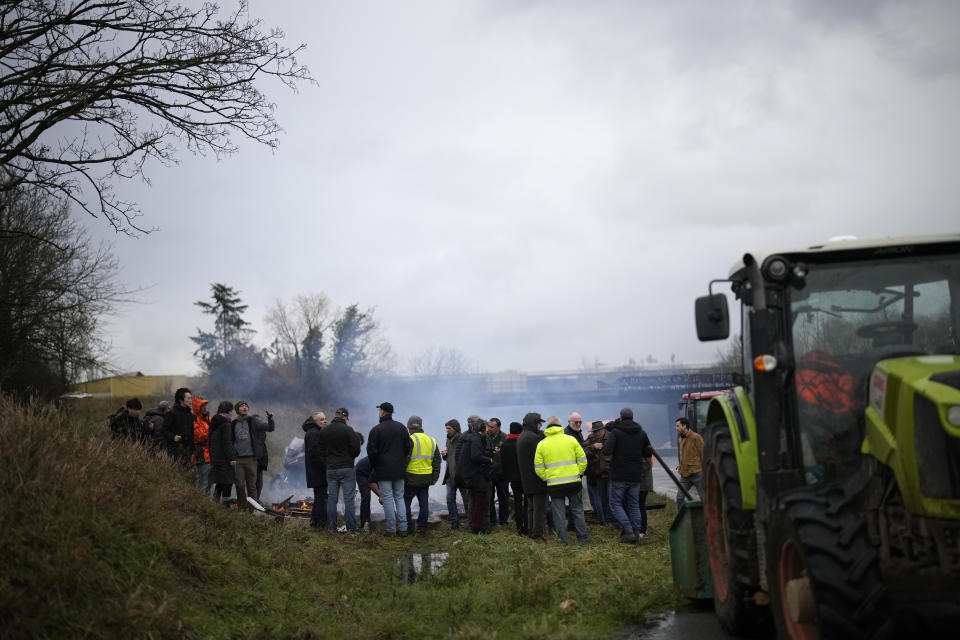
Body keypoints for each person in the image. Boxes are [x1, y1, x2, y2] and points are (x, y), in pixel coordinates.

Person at [535, 416, 589, 545]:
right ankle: (583, 538)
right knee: (577, 510)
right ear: (560, 426)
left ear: (547, 427)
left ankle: (563, 541)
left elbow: (538, 467)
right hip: (574, 482)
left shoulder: (542, 444)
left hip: (554, 485)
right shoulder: (571, 440)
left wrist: (546, 478)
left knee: (558, 513)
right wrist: (579, 473)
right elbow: (583, 460)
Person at [603, 408, 654, 543]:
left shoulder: (616, 432)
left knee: (615, 503)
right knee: (634, 505)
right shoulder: (641, 432)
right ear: (633, 417)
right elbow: (648, 453)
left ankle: (628, 529)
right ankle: (637, 534)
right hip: (635, 475)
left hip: (619, 475)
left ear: (620, 418)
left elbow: (607, 451)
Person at [366, 402, 413, 537]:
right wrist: (402, 460)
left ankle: (391, 530)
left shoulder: (376, 430)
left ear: (382, 412)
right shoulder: (401, 428)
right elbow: (409, 446)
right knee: (399, 498)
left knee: (387, 498)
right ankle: (403, 529)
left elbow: (371, 452)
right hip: (399, 469)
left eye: (379, 410)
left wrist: (375, 465)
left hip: (383, 470)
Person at [320, 408, 362, 533]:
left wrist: (328, 460)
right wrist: (349, 457)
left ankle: (331, 528)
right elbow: (356, 449)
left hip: (331, 469)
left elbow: (320, 450)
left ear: (335, 416)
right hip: (346, 468)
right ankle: (351, 530)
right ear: (345, 417)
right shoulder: (348, 430)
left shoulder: (324, 431)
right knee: (349, 499)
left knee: (332, 499)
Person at [231, 400, 275, 512]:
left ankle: (252, 510)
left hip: (251, 459)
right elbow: (230, 441)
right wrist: (232, 457)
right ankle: (241, 508)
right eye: (242, 406)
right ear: (237, 410)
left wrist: (270, 419)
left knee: (252, 487)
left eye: (246, 406)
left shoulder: (253, 421)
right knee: (240, 485)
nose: (245, 407)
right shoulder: (233, 424)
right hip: (238, 460)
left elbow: (269, 428)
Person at [403, 415, 441, 536]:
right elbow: (437, 461)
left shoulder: (410, 440)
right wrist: (435, 477)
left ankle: (408, 527)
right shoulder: (432, 440)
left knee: (406, 503)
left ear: (409, 426)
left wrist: (400, 475)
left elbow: (405, 459)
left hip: (410, 477)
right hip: (426, 478)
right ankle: (422, 527)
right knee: (423, 503)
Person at [455, 415, 492, 534]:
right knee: (479, 504)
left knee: (475, 503)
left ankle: (475, 527)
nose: (488, 429)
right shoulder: (476, 439)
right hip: (477, 477)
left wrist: (490, 453)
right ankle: (477, 528)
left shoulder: (473, 438)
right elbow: (476, 456)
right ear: (481, 428)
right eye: (486, 427)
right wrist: (489, 460)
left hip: (471, 477)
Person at [517, 412, 548, 542]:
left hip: (526, 479)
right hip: (537, 479)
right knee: (539, 509)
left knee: (531, 508)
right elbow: (541, 456)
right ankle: (537, 535)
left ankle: (531, 532)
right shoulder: (533, 438)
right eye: (539, 423)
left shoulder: (522, 436)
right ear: (533, 423)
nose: (540, 425)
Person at [441, 419, 470, 529]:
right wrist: (445, 455)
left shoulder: (463, 439)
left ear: (456, 429)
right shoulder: (448, 440)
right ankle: (454, 523)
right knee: (449, 499)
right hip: (449, 475)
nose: (447, 431)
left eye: (449, 428)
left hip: (461, 476)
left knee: (466, 499)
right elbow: (450, 457)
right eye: (446, 428)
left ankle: (470, 521)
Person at [584, 420, 613, 524]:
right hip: (598, 475)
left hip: (611, 474)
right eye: (594, 431)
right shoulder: (591, 439)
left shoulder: (611, 437)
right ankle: (606, 521)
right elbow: (582, 451)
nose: (596, 433)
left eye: (597, 431)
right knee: (603, 500)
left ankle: (612, 520)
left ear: (603, 429)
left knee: (611, 499)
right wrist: (593, 447)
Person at [302, 412, 328, 529]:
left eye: (325, 419)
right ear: (315, 421)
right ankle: (321, 523)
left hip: (316, 471)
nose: (325, 421)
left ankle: (315, 521)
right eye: (322, 419)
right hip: (318, 472)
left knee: (319, 497)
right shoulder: (314, 433)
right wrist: (325, 467)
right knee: (321, 498)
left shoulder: (314, 431)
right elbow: (314, 455)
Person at [501, 421, 526, 535]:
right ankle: (527, 525)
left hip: (513, 479)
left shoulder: (505, 444)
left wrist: (508, 477)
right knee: (527, 501)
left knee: (517, 502)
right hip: (524, 477)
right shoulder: (522, 443)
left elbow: (503, 463)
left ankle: (519, 527)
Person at [208, 401, 236, 505]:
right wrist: (232, 458)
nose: (232, 413)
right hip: (225, 459)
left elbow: (209, 441)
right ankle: (225, 506)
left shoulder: (214, 421)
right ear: (229, 411)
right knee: (228, 482)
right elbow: (227, 442)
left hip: (216, 458)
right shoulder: (226, 423)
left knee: (219, 481)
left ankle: (215, 504)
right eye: (232, 410)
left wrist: (212, 456)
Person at [486, 417, 509, 527]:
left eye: (492, 427)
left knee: (503, 498)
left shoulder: (505, 438)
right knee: (489, 498)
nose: (489, 429)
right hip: (489, 474)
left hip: (502, 474)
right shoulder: (484, 437)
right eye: (488, 426)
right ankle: (492, 520)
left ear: (498, 427)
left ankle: (503, 521)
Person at [676, 417, 704, 508]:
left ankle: (707, 519)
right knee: (679, 498)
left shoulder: (696, 437)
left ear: (684, 426)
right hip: (685, 475)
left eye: (678, 426)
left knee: (704, 498)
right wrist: (681, 465)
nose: (676, 428)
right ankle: (681, 520)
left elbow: (703, 454)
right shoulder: (680, 439)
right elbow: (683, 455)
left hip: (697, 473)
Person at [163, 387, 195, 466]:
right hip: (175, 451)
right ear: (181, 400)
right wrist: (173, 437)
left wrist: (193, 450)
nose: (191, 400)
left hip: (189, 452)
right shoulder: (172, 413)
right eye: (188, 398)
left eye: (191, 398)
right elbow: (164, 430)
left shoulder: (190, 415)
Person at [191, 396, 212, 495]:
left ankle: (207, 504)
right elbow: (199, 436)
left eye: (205, 405)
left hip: (210, 454)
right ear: (197, 407)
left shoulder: (208, 418)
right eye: (202, 406)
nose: (205, 408)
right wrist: (211, 433)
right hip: (201, 455)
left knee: (209, 482)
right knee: (203, 482)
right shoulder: (194, 419)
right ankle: (199, 503)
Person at [355, 455, 374, 533]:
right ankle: (365, 523)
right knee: (366, 496)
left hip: (371, 470)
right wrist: (380, 495)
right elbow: (371, 483)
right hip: (361, 472)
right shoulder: (379, 463)